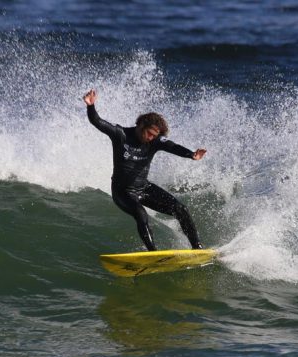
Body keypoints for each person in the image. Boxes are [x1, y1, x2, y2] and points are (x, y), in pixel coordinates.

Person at [83, 88, 207, 251]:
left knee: (181, 209)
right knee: (141, 213)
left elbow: (172, 146)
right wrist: (91, 107)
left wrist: (191, 154)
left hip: (144, 188)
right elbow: (98, 122)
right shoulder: (121, 135)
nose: (150, 138)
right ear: (140, 125)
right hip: (123, 192)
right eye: (148, 133)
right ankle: (153, 254)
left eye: (154, 136)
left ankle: (197, 247)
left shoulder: (154, 141)